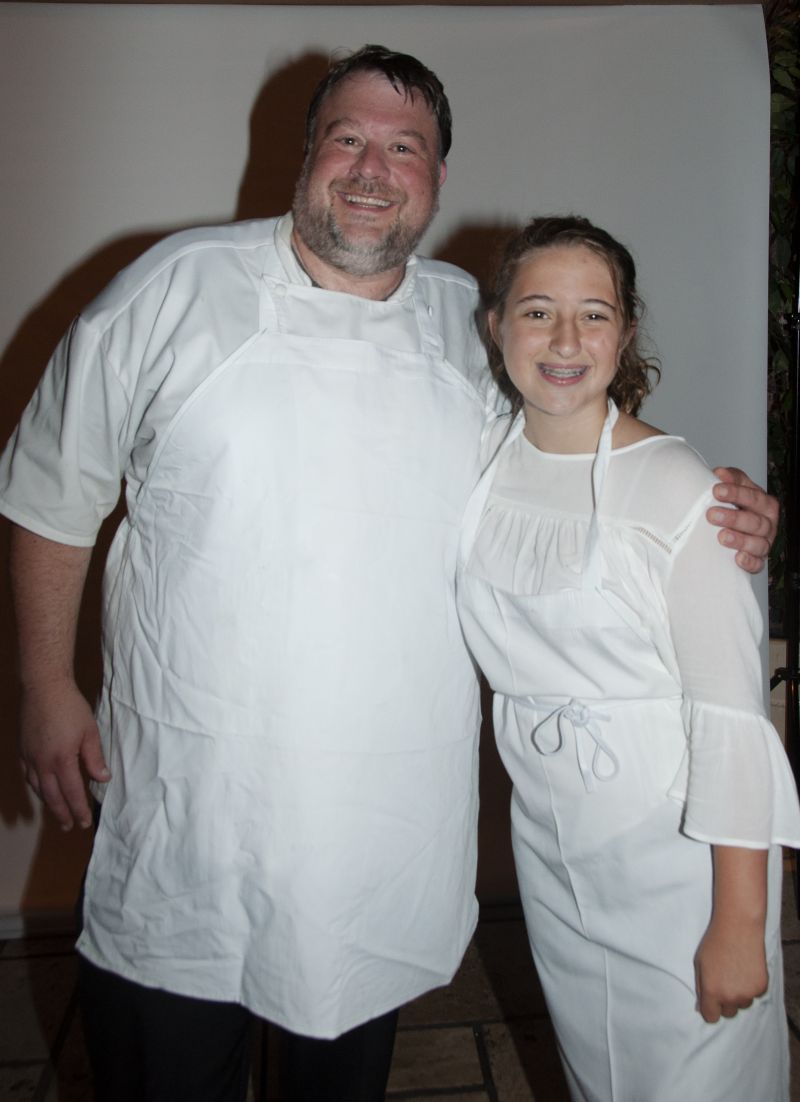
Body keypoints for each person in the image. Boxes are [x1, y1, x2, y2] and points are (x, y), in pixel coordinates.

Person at [0, 48, 778, 1102]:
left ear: (437, 178)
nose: (373, 169)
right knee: (168, 1055)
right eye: (349, 139)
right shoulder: (174, 288)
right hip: (194, 799)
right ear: (307, 154)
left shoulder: (466, 322)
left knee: (341, 1055)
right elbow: (51, 491)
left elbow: (573, 437)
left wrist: (715, 503)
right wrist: (46, 686)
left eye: (404, 148)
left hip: (379, 820)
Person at [456, 215, 800, 1101]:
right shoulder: (475, 461)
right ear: (496, 326)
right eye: (538, 312)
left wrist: (739, 923)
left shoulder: (680, 489)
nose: (566, 341)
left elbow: (732, 720)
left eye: (594, 315)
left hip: (678, 860)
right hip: (555, 850)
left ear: (627, 332)